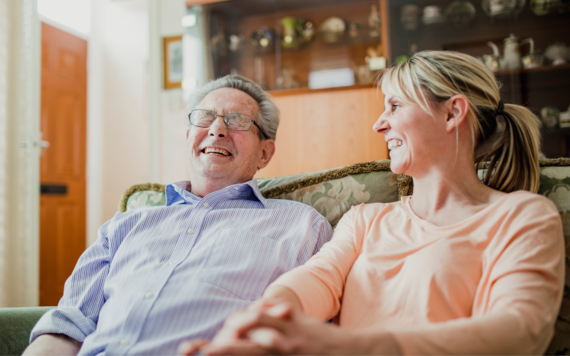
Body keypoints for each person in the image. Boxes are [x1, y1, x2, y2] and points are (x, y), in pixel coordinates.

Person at [181, 51, 565, 355]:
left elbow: (520, 332)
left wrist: (348, 348)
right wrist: (261, 322)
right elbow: (316, 280)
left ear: (452, 113)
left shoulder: (521, 216)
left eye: (395, 106)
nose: (379, 124)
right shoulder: (366, 218)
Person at [24, 75, 333, 356]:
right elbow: (67, 326)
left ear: (264, 153)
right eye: (205, 118)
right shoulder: (124, 225)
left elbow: (314, 335)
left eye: (237, 120)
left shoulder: (302, 226)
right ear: (189, 137)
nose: (216, 130)